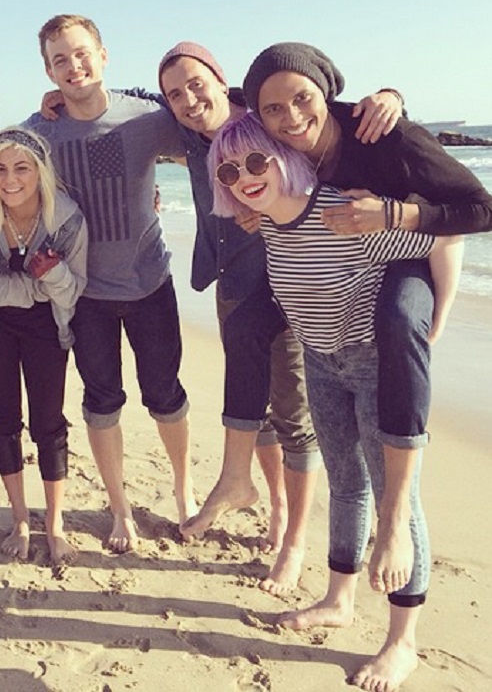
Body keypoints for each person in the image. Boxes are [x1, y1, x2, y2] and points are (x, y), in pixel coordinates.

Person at [226, 42, 490, 600]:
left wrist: (397, 213)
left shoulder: (383, 132)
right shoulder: (278, 143)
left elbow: (479, 211)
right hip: (345, 272)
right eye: (273, 109)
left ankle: (396, 525)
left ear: (327, 91)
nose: (291, 117)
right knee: (247, 320)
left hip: (409, 248)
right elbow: (215, 114)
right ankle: (332, 589)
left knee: (399, 320)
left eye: (303, 98)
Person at [208, 111, 460, 692]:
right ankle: (339, 600)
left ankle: (403, 642)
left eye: (256, 160)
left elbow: (443, 233)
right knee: (346, 485)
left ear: (282, 159)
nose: (245, 176)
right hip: (323, 364)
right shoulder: (269, 221)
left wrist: (438, 318)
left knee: (397, 498)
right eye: (229, 170)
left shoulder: (340, 211)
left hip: (374, 363)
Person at [156, 42, 403, 595]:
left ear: (221, 79)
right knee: (255, 409)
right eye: (175, 94)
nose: (189, 100)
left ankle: (294, 543)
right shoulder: (185, 132)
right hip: (233, 285)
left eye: (197, 85)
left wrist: (390, 96)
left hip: (293, 286)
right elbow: (127, 99)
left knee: (295, 418)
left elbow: (328, 124)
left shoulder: (267, 122)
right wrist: (59, 98)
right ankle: (272, 506)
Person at [24, 14, 195, 553]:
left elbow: (213, 123)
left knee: (165, 394)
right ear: (49, 72)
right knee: (101, 402)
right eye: (60, 59)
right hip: (86, 295)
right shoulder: (41, 131)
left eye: (81, 54)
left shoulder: (147, 118)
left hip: (150, 284)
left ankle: (184, 488)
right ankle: (120, 507)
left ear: (102, 55)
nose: (73, 66)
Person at [0, 127, 88, 565]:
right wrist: (37, 286)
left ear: (41, 172)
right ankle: (20, 520)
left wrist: (53, 275)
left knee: (49, 423)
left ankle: (55, 525)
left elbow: (72, 291)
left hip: (48, 328)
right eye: (0, 169)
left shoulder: (67, 219)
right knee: (4, 420)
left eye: (22, 168)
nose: (10, 180)